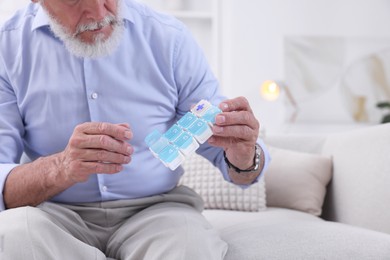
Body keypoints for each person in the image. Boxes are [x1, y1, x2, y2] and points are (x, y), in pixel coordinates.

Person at [0, 0, 270, 259]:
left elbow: (234, 164)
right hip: (52, 214)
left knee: (189, 245)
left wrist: (244, 158)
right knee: (14, 234)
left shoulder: (169, 38)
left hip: (156, 210)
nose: (97, 12)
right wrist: (60, 167)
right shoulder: (7, 47)